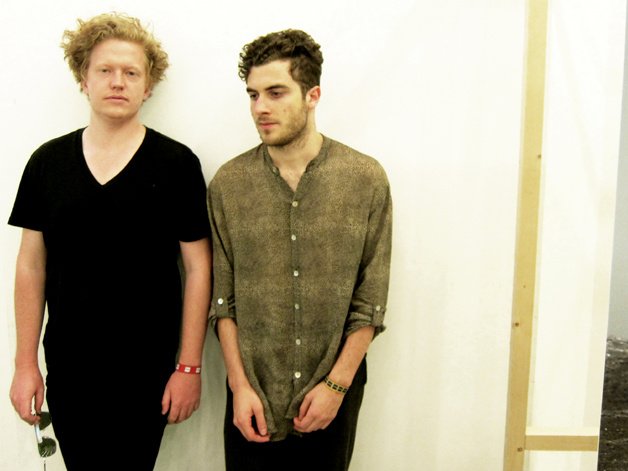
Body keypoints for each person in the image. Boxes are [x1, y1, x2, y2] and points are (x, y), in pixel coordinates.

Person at [8, 13, 211, 470]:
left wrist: (189, 366)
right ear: (84, 79)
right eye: (105, 70)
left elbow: (199, 268)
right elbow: (30, 265)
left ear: (148, 86)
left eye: (131, 72)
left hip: (148, 369)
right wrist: (25, 365)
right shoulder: (47, 163)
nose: (118, 82)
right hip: (69, 366)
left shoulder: (176, 164)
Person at [208, 29, 392, 471]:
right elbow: (223, 300)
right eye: (253, 95)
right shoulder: (229, 184)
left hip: (331, 394)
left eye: (275, 93)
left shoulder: (364, 179)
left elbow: (370, 299)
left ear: (313, 95)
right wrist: (239, 386)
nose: (260, 108)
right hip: (253, 398)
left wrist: (337, 386)